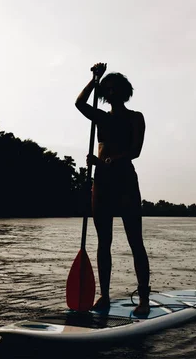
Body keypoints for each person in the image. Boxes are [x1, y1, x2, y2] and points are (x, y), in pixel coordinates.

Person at [75, 62, 150, 316]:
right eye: (107, 89)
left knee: (135, 242)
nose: (111, 92)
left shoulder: (135, 117)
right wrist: (95, 79)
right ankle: (104, 297)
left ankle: (144, 299)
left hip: (125, 182)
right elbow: (79, 103)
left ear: (124, 91)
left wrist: (107, 161)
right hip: (102, 184)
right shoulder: (101, 117)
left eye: (115, 88)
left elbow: (135, 151)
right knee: (103, 242)